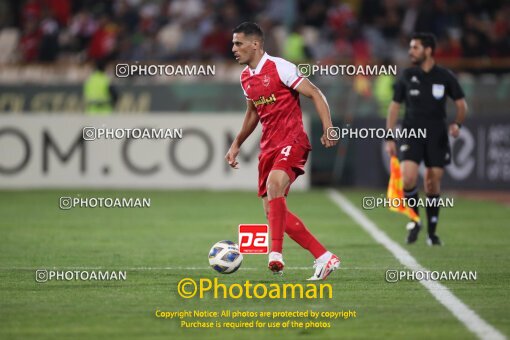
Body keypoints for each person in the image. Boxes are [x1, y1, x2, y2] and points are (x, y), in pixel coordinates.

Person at [225, 22, 340, 280]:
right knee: (273, 212)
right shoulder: (245, 78)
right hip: (269, 147)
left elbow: (315, 94)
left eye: (238, 43)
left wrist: (328, 127)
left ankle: (275, 254)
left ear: (255, 44)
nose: (234, 48)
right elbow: (253, 113)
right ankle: (324, 257)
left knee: (276, 184)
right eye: (233, 43)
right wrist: (236, 144)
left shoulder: (280, 67)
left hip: (293, 139)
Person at [385, 32, 468, 246]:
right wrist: (389, 135)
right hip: (411, 133)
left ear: (428, 50)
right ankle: (415, 220)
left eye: (415, 47)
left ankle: (432, 233)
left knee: (432, 182)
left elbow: (461, 105)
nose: (410, 51)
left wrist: (457, 124)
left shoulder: (445, 76)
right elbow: (394, 107)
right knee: (409, 178)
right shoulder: (406, 76)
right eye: (410, 47)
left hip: (437, 135)